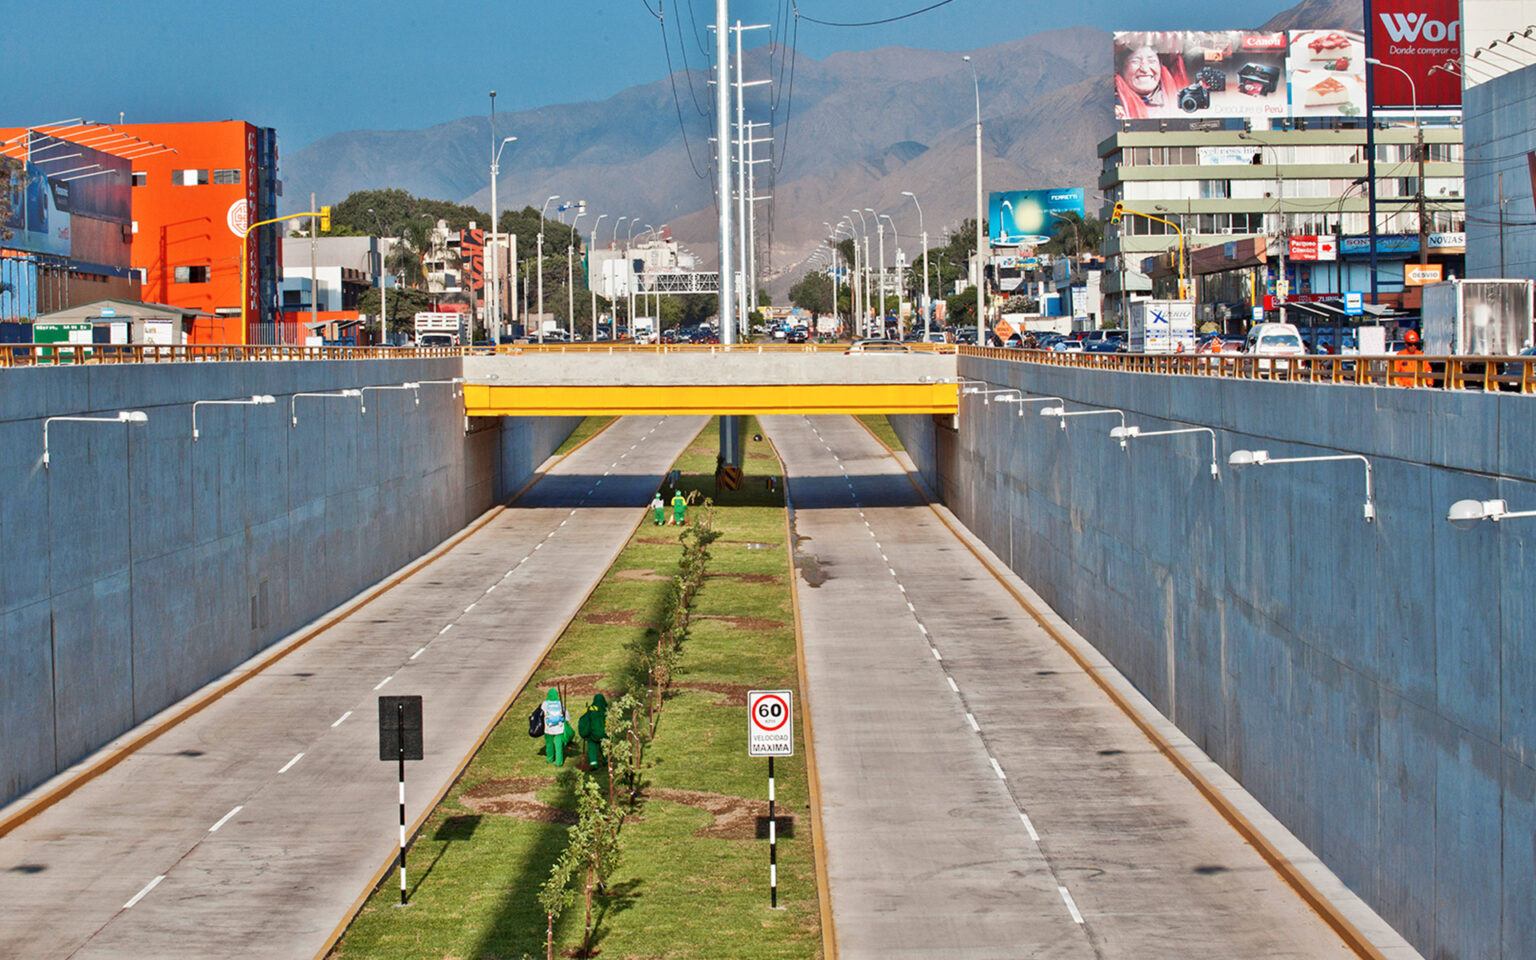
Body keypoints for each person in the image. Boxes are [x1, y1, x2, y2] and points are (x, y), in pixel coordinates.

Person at [1114, 41, 1189, 119]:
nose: (1145, 69)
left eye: (1151, 61)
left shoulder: (1179, 97)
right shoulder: (1113, 105)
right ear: (1120, 67)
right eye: (1135, 61)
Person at [542, 687, 573, 766]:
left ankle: (550, 758)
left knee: (549, 744)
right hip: (559, 728)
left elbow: (542, 714)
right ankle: (559, 762)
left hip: (548, 728)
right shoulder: (560, 703)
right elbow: (567, 716)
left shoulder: (545, 704)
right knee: (558, 745)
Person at [577, 693, 609, 768]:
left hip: (592, 733)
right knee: (604, 747)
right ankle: (606, 760)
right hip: (603, 734)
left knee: (592, 746)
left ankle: (593, 764)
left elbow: (584, 720)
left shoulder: (589, 709)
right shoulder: (605, 711)